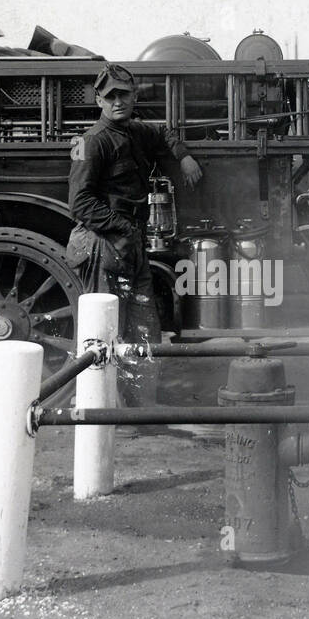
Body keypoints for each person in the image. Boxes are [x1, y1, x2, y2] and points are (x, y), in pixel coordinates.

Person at [65, 62, 201, 401]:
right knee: (103, 329)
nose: (117, 102)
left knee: (143, 327)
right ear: (98, 100)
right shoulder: (89, 141)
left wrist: (184, 157)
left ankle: (139, 407)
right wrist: (123, 227)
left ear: (134, 96)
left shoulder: (137, 132)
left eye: (123, 95)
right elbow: (79, 203)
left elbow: (164, 133)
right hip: (104, 244)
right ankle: (100, 407)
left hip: (131, 243)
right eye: (109, 96)